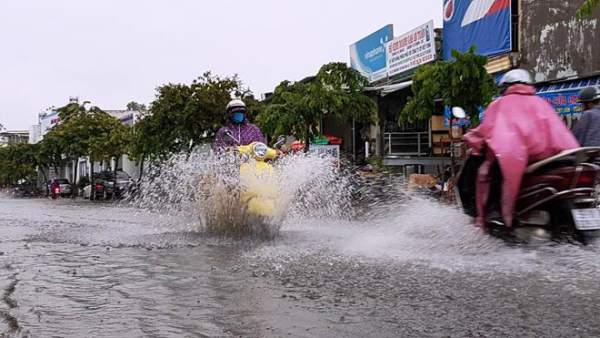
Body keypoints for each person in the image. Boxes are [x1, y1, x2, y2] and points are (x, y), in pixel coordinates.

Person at [462, 69, 579, 227]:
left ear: (505, 87)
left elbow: (486, 130)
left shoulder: (499, 104)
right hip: (550, 156)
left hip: (516, 156)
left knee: (495, 169)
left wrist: (471, 137)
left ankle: (494, 212)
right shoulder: (541, 102)